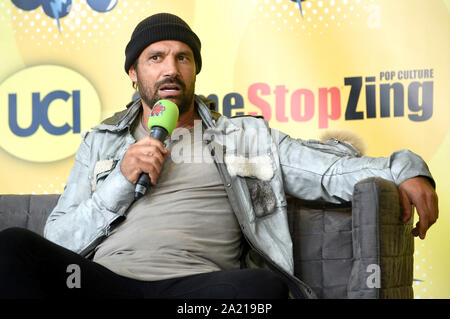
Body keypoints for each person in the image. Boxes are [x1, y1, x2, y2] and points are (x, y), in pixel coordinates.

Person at [0, 13, 438, 299]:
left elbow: (327, 171)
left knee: (261, 292)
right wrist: (119, 180)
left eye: (182, 58)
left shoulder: (244, 137)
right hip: (104, 287)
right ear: (134, 74)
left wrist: (406, 169)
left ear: (194, 71)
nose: (170, 68)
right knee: (13, 248)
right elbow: (58, 239)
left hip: (196, 293)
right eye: (155, 58)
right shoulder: (102, 141)